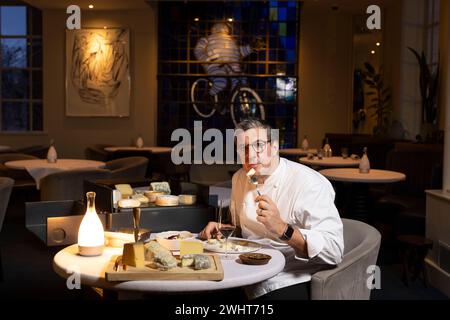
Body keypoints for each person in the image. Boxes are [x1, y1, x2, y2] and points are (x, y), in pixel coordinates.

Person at [199, 119, 344, 300]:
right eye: (243, 148)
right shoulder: (240, 178)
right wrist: (224, 228)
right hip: (247, 267)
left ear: (274, 147)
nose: (250, 155)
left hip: (290, 276)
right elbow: (242, 229)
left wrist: (283, 229)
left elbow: (334, 251)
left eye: (258, 145)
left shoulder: (308, 183)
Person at [194, 23, 262, 113]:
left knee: (240, 81)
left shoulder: (228, 40)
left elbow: (238, 52)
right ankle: (209, 96)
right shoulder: (209, 39)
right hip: (216, 63)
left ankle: (230, 102)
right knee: (222, 81)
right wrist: (208, 60)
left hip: (228, 63)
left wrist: (251, 47)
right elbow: (199, 50)